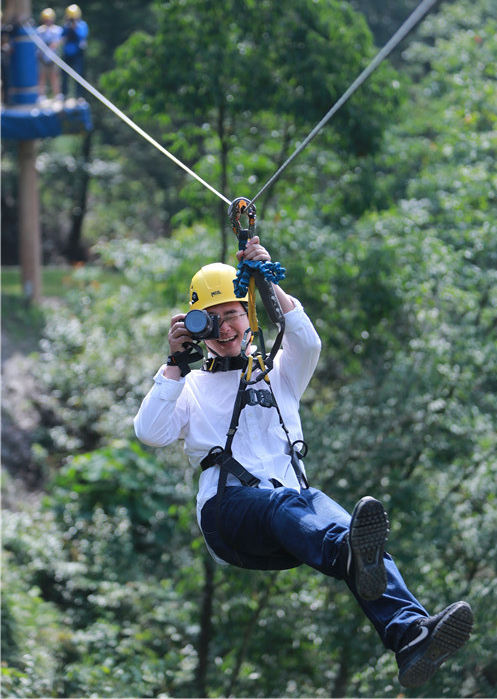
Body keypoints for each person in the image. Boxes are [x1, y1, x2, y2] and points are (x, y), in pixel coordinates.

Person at [134, 235, 474, 689]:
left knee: (351, 532)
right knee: (308, 519)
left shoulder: (280, 372)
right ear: (197, 330)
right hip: (228, 515)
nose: (226, 329)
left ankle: (410, 636)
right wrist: (174, 364)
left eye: (232, 314)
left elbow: (306, 340)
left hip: (294, 517)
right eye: (211, 322)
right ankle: (349, 555)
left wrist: (268, 278)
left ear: (249, 314)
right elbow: (150, 431)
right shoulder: (191, 387)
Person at [61, 4, 88, 99]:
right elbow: (62, 36)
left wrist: (75, 27)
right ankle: (64, 95)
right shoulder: (66, 26)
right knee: (64, 76)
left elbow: (82, 36)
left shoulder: (82, 25)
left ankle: (79, 96)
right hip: (67, 53)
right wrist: (69, 27)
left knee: (79, 75)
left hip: (78, 54)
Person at [36, 8, 62, 100]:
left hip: (53, 57)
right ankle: (41, 95)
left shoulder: (57, 30)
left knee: (54, 76)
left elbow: (58, 42)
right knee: (41, 76)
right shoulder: (39, 30)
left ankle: (57, 94)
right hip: (42, 57)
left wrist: (53, 45)